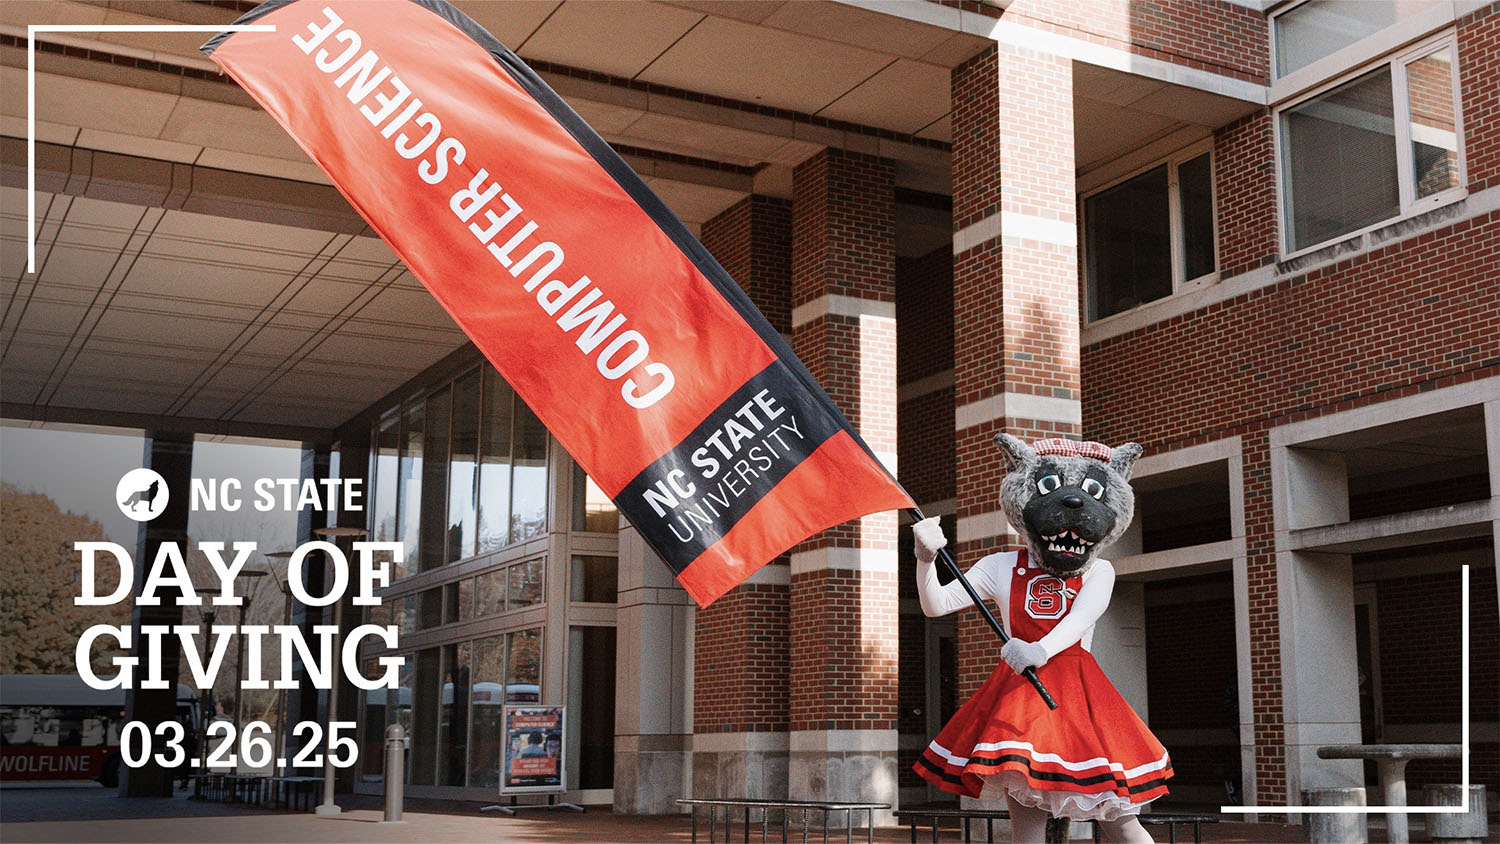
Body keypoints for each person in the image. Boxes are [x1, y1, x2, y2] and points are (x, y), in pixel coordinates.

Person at [911, 435, 1171, 844]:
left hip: (1080, 699)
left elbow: (1087, 613)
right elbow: (936, 605)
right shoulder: (1000, 565)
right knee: (1026, 829)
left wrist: (1039, 649)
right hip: (1022, 700)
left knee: (1120, 822)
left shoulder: (1099, 570)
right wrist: (925, 560)